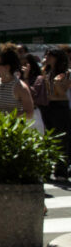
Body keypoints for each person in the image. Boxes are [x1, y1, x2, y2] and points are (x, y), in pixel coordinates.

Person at [42, 47, 70, 178]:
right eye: (46, 55)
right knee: (48, 138)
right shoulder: (46, 71)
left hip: (60, 107)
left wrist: (56, 84)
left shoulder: (66, 73)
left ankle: (61, 170)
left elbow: (62, 93)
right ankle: (46, 167)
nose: (47, 57)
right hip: (47, 106)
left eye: (50, 55)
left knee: (61, 139)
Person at [0, 44, 34, 119]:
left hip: (16, 129)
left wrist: (7, 116)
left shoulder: (20, 87)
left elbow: (29, 113)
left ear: (7, 67)